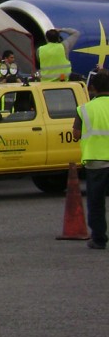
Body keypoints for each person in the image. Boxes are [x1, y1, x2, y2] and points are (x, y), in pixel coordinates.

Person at [73, 70, 109, 250]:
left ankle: (99, 239)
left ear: (93, 87)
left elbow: (76, 134)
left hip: (96, 162)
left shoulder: (84, 109)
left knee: (96, 202)